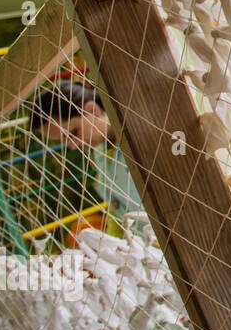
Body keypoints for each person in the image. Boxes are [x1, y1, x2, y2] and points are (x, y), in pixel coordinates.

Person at [30, 80, 145, 226]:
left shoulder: (141, 132)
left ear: (92, 110)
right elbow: (118, 211)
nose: (72, 146)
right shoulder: (99, 155)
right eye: (63, 141)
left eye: (73, 133)